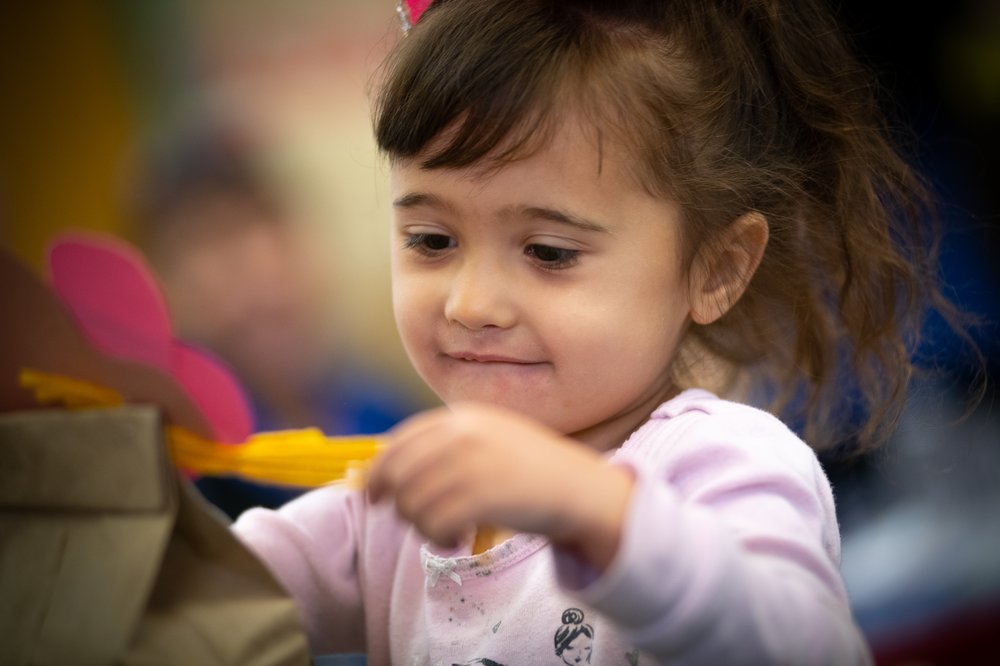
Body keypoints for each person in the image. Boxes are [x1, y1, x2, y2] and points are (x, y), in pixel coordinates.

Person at [232, 0, 974, 662]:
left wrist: (592, 510)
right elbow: (192, 599)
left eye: (549, 252)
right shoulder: (395, 502)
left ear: (716, 268)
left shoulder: (717, 464)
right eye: (431, 240)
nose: (471, 302)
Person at [131, 118, 417, 519]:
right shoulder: (182, 474)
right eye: (209, 239)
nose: (258, 262)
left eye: (266, 221)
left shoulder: (390, 412)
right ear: (163, 284)